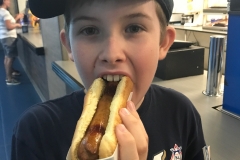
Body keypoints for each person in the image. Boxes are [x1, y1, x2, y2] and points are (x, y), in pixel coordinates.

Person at [11, 0, 206, 159]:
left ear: (163, 43)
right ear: (68, 45)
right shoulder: (36, 130)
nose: (112, 54)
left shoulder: (181, 112)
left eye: (134, 28)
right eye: (89, 30)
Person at [0, 0, 23, 85]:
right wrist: (17, 25)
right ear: (4, 1)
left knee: (7, 57)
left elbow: (8, 22)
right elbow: (9, 27)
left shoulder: (1, 11)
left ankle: (11, 72)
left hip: (4, 37)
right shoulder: (5, 12)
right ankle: (9, 79)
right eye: (8, 0)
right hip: (9, 38)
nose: (9, 1)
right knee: (9, 58)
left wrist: (16, 18)